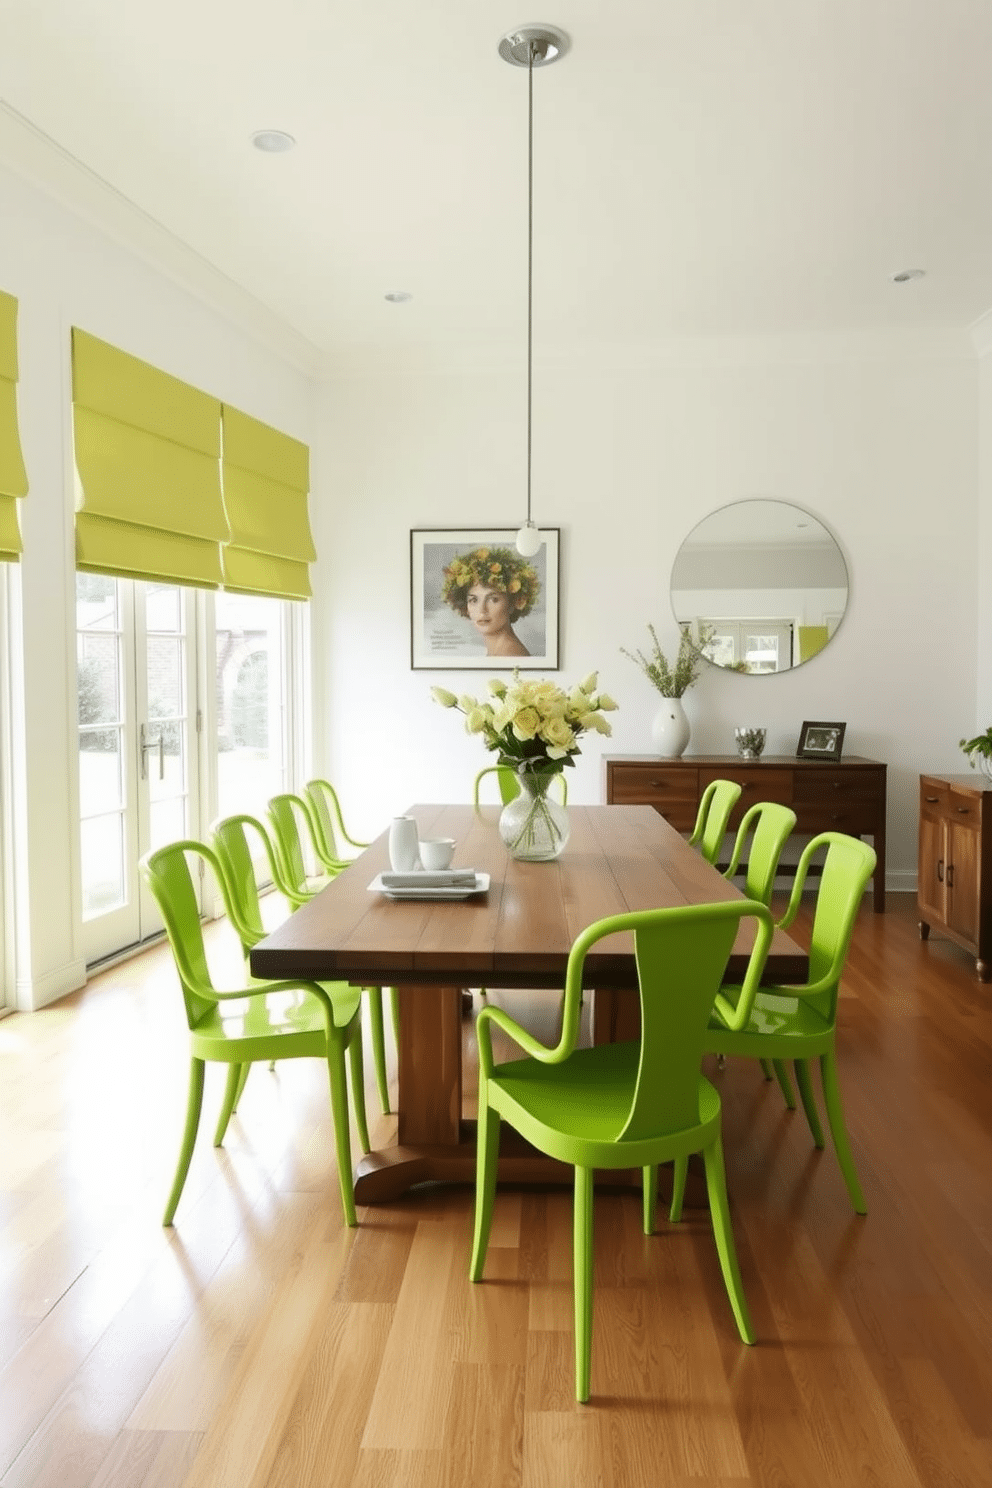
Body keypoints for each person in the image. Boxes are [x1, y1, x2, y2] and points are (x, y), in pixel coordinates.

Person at [440, 546, 540, 657]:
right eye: (474, 600)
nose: (482, 610)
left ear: (512, 604)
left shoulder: (510, 654)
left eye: (493, 599)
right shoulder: (498, 652)